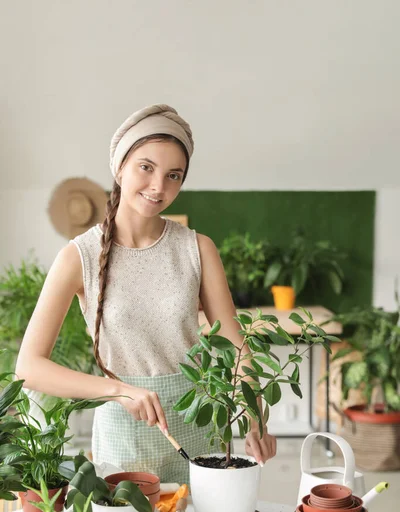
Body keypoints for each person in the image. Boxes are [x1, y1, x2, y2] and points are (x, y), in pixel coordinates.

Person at [16, 104, 276, 483]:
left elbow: (236, 347)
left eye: (174, 175)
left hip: (197, 426)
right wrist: (118, 391)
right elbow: (29, 367)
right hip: (123, 438)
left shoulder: (197, 248)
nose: (159, 187)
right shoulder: (79, 257)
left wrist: (256, 417)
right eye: (146, 167)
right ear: (120, 167)